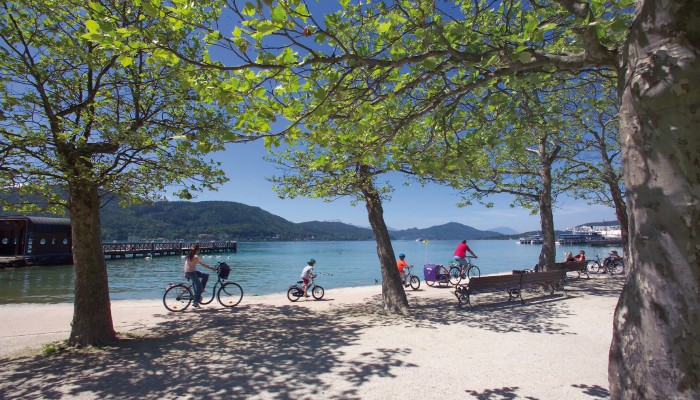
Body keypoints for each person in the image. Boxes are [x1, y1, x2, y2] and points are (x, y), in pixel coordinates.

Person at [184, 244, 216, 308]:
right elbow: (203, 264)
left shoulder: (189, 255)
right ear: (197, 250)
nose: (199, 251)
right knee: (199, 287)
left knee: (206, 275)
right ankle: (195, 302)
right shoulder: (195, 257)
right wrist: (211, 268)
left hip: (189, 272)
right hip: (191, 273)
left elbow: (186, 265)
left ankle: (201, 290)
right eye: (199, 250)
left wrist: (185, 273)